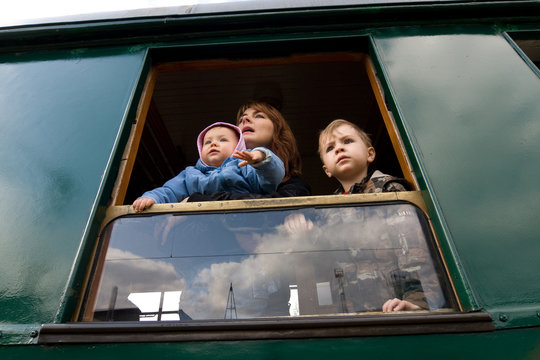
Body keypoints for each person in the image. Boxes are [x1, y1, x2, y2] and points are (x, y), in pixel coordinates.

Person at [132, 122, 285, 212]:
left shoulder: (244, 166)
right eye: (207, 142)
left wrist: (262, 157)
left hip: (244, 220)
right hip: (204, 224)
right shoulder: (190, 174)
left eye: (223, 140)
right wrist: (151, 197)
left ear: (238, 146)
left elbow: (271, 179)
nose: (213, 143)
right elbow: (170, 190)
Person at [187, 101, 311, 201]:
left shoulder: (294, 185)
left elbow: (268, 208)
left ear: (277, 130)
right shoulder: (203, 175)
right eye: (241, 120)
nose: (245, 119)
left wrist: (195, 200)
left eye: (259, 116)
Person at [319, 119, 409, 195]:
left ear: (369, 154)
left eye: (347, 141)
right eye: (330, 148)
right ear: (327, 170)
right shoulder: (330, 205)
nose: (338, 148)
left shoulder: (388, 187)